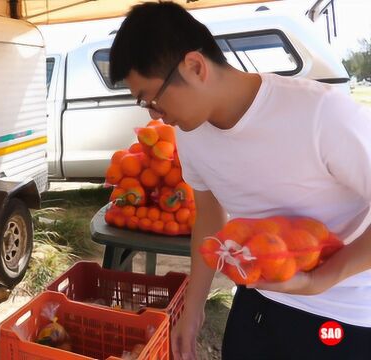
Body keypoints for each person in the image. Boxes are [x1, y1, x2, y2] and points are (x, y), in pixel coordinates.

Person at [109, 2, 371, 359]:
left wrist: (318, 281)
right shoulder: (191, 134)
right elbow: (209, 217)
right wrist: (193, 306)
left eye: (152, 99)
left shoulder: (322, 114)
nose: (156, 114)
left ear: (195, 66)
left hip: (343, 311)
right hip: (258, 295)